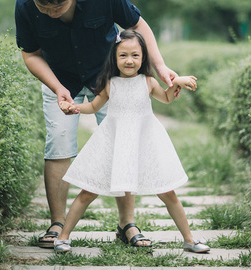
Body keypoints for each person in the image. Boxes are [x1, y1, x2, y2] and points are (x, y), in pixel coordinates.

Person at [15, 0, 178, 248]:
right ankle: (57, 224)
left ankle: (127, 224)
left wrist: (160, 66)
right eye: (44, 8)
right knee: (58, 143)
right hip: (58, 77)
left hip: (109, 76)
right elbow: (31, 53)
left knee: (124, 142)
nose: (51, 13)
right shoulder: (25, 5)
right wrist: (58, 88)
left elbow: (137, 24)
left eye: (57, 6)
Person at [55, 30, 211, 253]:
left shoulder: (147, 81)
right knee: (88, 190)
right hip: (114, 141)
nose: (129, 61)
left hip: (144, 141)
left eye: (135, 55)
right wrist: (74, 107)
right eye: (123, 55)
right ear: (114, 58)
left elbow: (166, 98)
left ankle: (189, 239)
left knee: (168, 191)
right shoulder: (110, 83)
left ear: (143, 57)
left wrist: (177, 82)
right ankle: (63, 237)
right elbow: (93, 107)